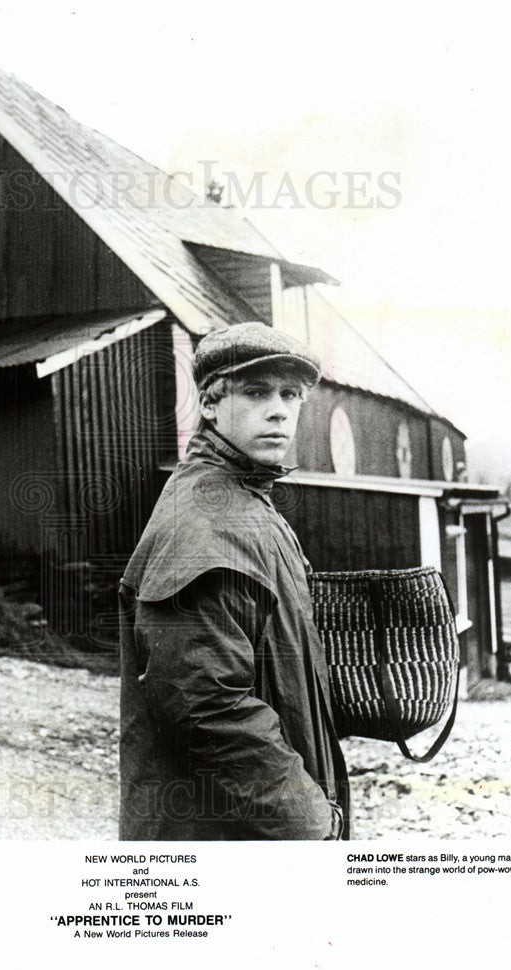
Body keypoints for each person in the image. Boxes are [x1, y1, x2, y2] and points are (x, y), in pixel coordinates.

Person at [118, 321, 349, 840]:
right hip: (220, 839)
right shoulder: (207, 521)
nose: (279, 410)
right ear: (209, 404)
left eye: (291, 394)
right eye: (256, 391)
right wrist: (309, 821)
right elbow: (204, 704)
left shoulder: (247, 503)